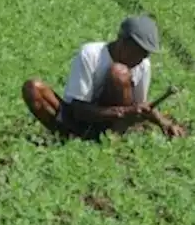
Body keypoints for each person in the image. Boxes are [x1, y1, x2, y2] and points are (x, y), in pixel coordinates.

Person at [21, 15, 186, 139]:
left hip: (110, 128)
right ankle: (65, 137)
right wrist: (124, 111)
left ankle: (112, 139)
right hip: (78, 118)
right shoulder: (90, 54)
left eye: (145, 54)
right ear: (122, 42)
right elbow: (78, 110)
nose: (141, 59)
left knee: (120, 73)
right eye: (139, 52)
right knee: (33, 89)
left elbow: (142, 106)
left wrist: (165, 123)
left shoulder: (143, 65)